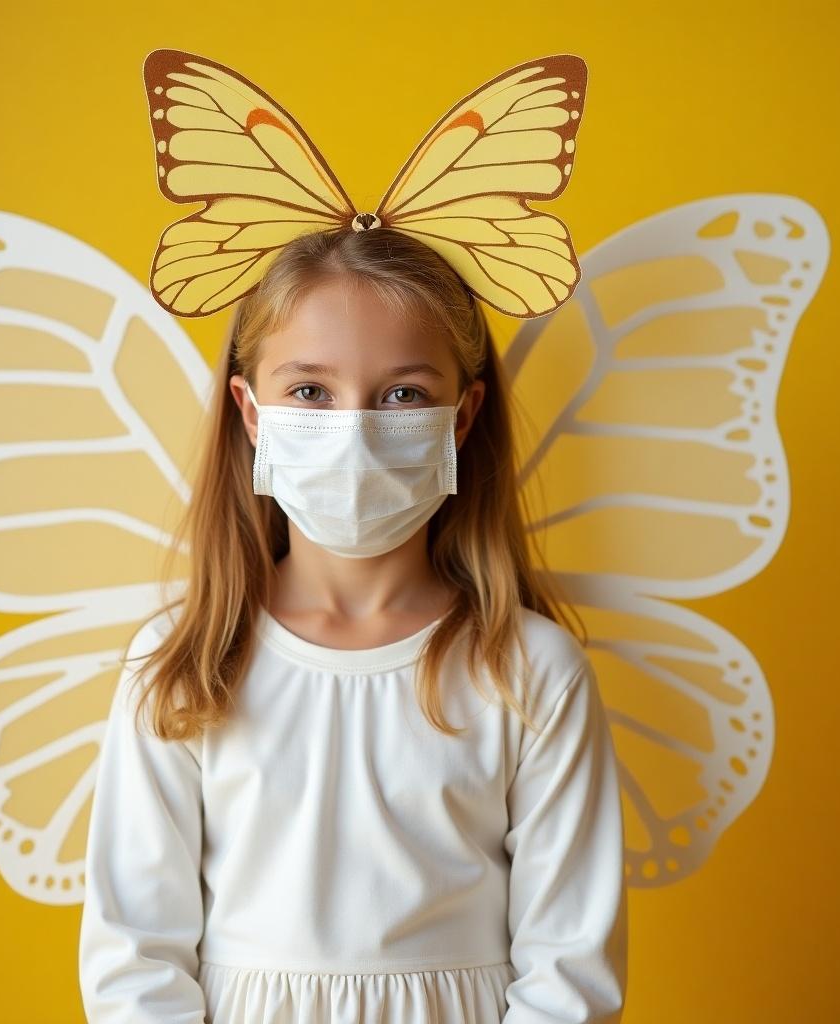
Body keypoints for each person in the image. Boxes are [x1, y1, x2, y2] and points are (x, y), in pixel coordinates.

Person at [78, 226, 628, 1023]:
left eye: (403, 394)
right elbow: (134, 954)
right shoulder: (182, 663)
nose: (355, 431)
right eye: (310, 392)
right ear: (252, 410)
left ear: (462, 416)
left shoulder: (531, 671)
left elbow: (571, 968)